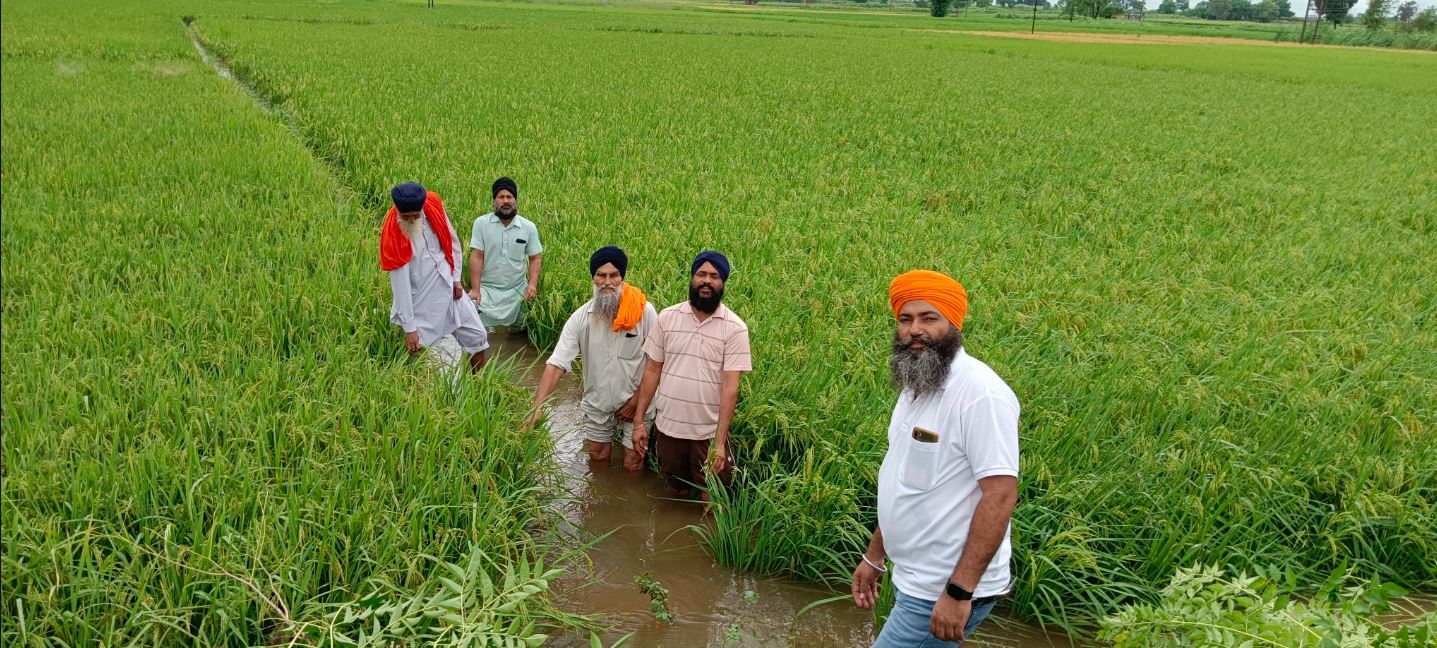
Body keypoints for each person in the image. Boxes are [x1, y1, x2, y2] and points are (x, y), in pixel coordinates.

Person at [852, 270, 1020, 647]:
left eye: (929, 318)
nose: (915, 330)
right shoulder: (917, 385)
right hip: (915, 578)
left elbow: (1001, 496)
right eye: (905, 319)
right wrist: (876, 556)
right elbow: (903, 479)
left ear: (953, 324)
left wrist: (959, 593)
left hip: (942, 589)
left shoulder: (981, 394)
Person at [630, 251, 751, 500]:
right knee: (675, 493)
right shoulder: (667, 317)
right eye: (701, 274)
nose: (706, 281)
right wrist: (639, 421)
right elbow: (653, 370)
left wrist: (719, 443)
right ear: (692, 278)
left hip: (706, 434)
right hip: (668, 430)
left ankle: (708, 539)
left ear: (723, 283)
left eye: (714, 276)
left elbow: (731, 387)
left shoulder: (735, 328)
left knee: (713, 497)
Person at [525, 246, 658, 470]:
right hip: (598, 402)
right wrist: (536, 407)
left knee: (634, 461)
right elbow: (557, 363)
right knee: (597, 456)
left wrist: (636, 402)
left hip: (638, 403)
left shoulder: (644, 313)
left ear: (622, 278)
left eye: (614, 275)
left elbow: (657, 363)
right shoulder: (580, 318)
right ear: (593, 279)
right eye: (601, 275)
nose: (607, 282)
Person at [380, 182, 488, 373]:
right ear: (398, 211)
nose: (412, 220)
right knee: (419, 357)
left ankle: (478, 388)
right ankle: (425, 398)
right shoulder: (394, 235)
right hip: (421, 302)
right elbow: (400, 287)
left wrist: (456, 279)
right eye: (407, 217)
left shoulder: (433, 207)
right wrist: (409, 328)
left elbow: (452, 241)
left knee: (478, 337)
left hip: (449, 289)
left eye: (416, 215)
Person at [467, 176, 543, 330]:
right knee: (477, 333)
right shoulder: (481, 224)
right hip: (487, 289)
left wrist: (532, 285)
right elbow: (477, 256)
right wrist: (475, 290)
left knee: (521, 330)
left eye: (509, 197)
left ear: (515, 200)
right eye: (501, 197)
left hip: (517, 291)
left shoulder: (528, 227)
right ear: (494, 200)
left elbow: (535, 258)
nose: (505, 201)